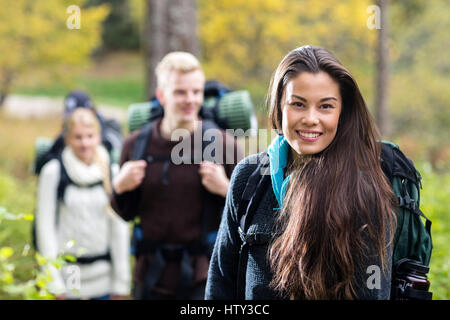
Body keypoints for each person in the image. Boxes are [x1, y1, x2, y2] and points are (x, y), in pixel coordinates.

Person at [205, 45, 398, 300]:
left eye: (325, 106)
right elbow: (220, 282)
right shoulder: (249, 178)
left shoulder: (365, 191)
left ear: (343, 112)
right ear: (279, 107)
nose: (310, 118)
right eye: (298, 104)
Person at [110, 51, 243, 299]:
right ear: (161, 96)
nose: (190, 100)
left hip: (204, 278)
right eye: (180, 92)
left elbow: (247, 217)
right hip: (148, 277)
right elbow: (125, 212)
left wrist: (226, 189)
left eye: (196, 92)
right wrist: (119, 187)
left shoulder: (225, 145)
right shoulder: (136, 145)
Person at [35, 107, 131, 300]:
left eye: (90, 136)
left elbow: (119, 231)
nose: (85, 143)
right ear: (68, 139)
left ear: (98, 137)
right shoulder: (53, 172)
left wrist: (121, 284)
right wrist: (54, 283)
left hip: (104, 276)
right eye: (78, 137)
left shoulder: (112, 171)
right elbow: (45, 228)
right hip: (71, 274)